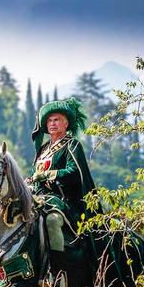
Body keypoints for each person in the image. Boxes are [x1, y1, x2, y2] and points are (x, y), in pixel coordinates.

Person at [30, 97, 102, 275]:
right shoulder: (43, 149)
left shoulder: (72, 145)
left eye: (56, 120)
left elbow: (74, 173)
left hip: (67, 201)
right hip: (42, 199)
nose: (52, 124)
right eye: (49, 120)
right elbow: (37, 175)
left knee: (52, 220)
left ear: (66, 123)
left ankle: (57, 272)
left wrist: (47, 175)